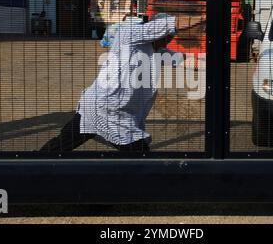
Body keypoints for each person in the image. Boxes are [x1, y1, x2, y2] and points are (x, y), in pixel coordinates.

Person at [40, 14, 205, 153]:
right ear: (155, 30)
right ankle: (31, 165)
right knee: (139, 153)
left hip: (113, 111)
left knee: (62, 144)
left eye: (171, 38)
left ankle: (35, 161)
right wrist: (205, 16)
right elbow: (172, 23)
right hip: (104, 107)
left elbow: (188, 61)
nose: (168, 40)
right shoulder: (129, 36)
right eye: (166, 35)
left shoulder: (158, 52)